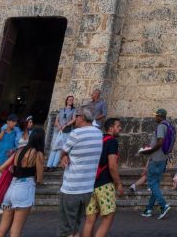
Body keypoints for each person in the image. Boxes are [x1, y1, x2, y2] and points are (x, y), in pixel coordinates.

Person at [58, 105, 103, 237]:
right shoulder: (98, 133)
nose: (74, 118)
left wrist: (64, 156)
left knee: (65, 228)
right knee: (76, 226)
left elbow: (63, 150)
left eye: (76, 116)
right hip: (87, 189)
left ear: (81, 118)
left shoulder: (76, 133)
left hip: (72, 188)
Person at [0, 128, 44, 237]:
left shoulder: (19, 150)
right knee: (15, 231)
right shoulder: (38, 153)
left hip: (11, 188)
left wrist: (13, 169)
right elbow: (39, 178)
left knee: (1, 230)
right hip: (24, 189)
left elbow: (2, 168)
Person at [82, 118, 124, 237]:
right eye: (118, 126)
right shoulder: (112, 142)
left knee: (90, 220)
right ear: (111, 128)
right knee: (108, 218)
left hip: (91, 184)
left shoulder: (98, 140)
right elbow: (112, 165)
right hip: (104, 184)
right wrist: (119, 184)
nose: (120, 128)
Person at [139, 108, 172, 219]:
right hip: (162, 158)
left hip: (156, 159)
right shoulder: (168, 125)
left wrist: (149, 151)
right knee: (155, 185)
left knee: (152, 184)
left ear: (160, 116)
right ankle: (148, 209)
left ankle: (163, 205)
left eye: (156, 115)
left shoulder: (161, 126)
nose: (155, 117)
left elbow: (160, 142)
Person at [47, 96, 76, 172]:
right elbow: (57, 120)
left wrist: (66, 125)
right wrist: (59, 126)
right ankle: (48, 165)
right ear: (66, 100)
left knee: (60, 148)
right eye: (69, 99)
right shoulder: (61, 110)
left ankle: (54, 165)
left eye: (72, 100)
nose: (70, 101)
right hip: (58, 131)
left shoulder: (73, 110)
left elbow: (74, 119)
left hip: (67, 131)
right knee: (54, 147)